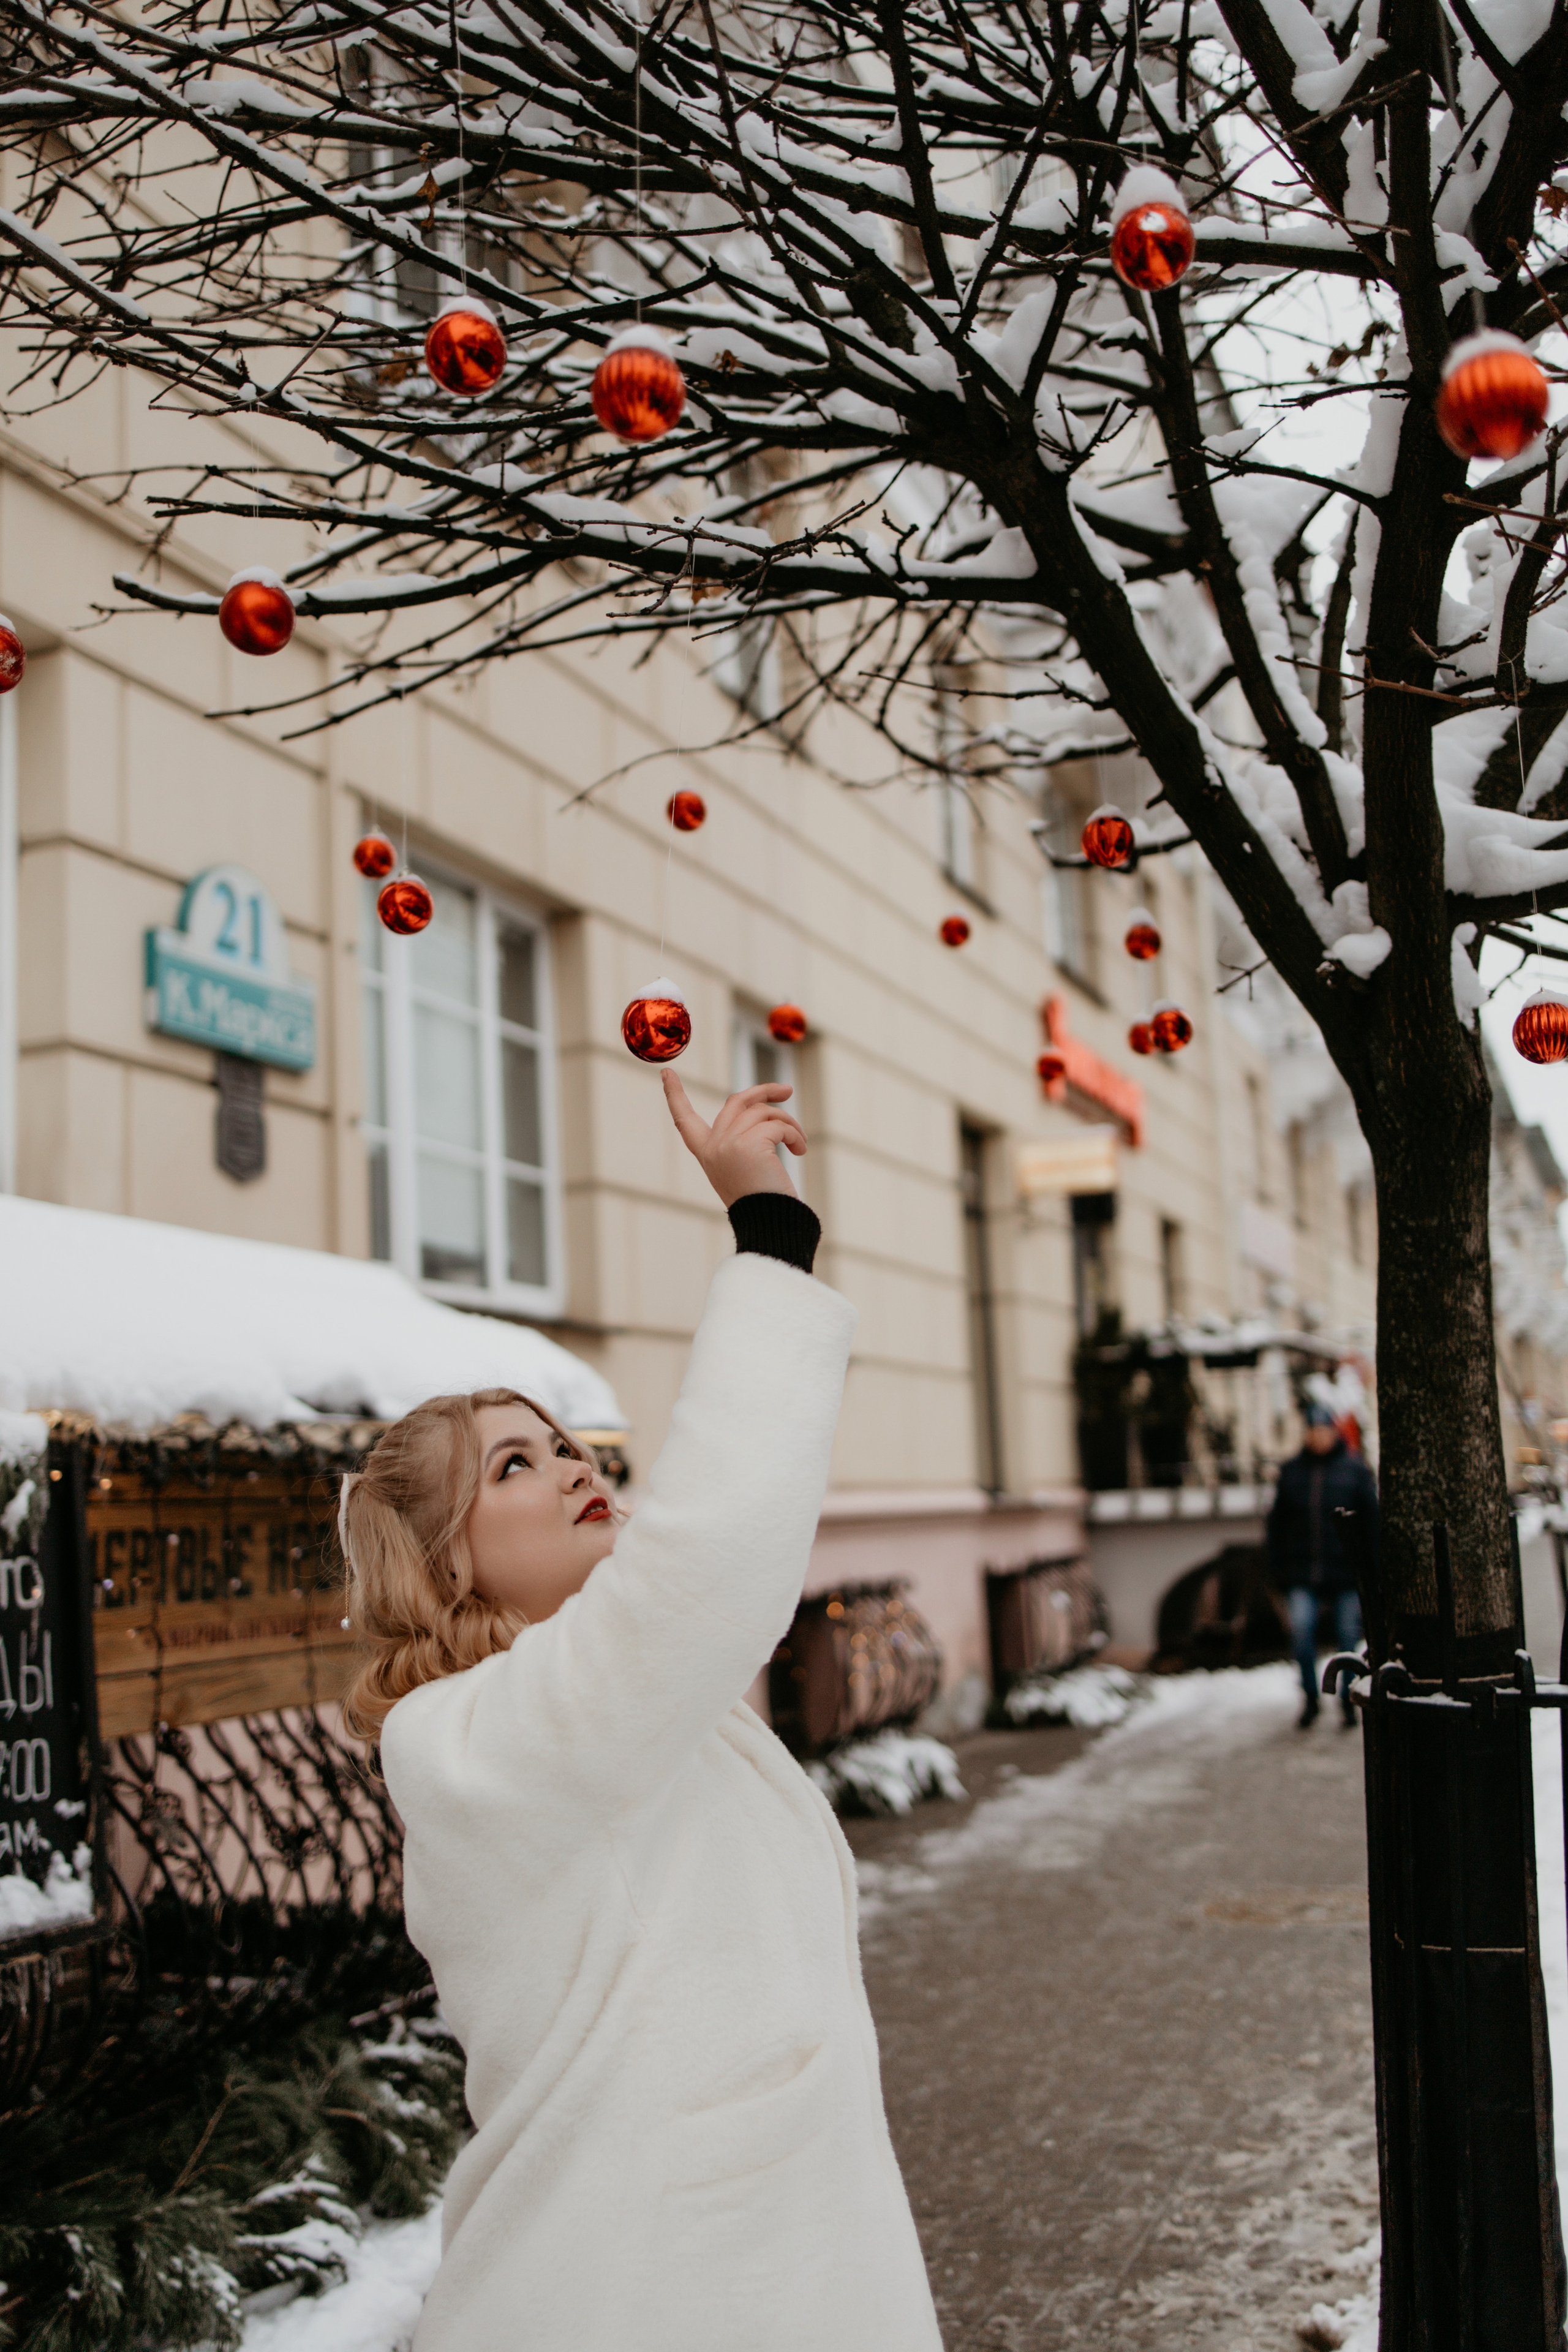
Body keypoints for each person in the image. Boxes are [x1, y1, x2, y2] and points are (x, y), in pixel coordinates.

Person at [337, 1074, 943, 2352]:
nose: (569, 1463)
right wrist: (765, 1231)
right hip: (650, 2285)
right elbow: (705, 1566)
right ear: (444, 1564)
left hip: (767, 2259)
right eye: (513, 1464)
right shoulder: (469, 1743)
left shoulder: (622, 1708)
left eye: (563, 1441)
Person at [1267, 1403, 1379, 1729]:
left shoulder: (1355, 1471)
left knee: (1348, 1637)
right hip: (1303, 1572)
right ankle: (1310, 1699)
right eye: (1312, 1431)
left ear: (1333, 1432)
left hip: (1345, 1573)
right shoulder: (1292, 1472)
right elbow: (1277, 1525)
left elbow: (1371, 1524)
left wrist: (1370, 1569)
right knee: (1301, 1633)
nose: (1318, 1438)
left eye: (1323, 1431)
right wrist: (1279, 1568)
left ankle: (1347, 1700)